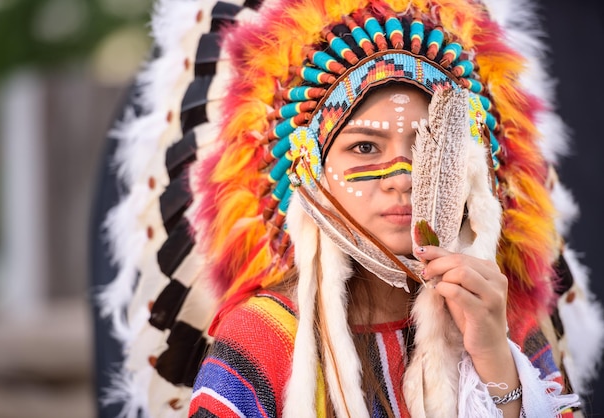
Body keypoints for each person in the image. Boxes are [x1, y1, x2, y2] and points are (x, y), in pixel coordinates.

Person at [95, 0, 604, 417]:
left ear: (469, 165)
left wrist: (495, 358)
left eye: (433, 146)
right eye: (365, 148)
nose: (402, 177)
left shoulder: (501, 316)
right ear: (310, 175)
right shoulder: (264, 338)